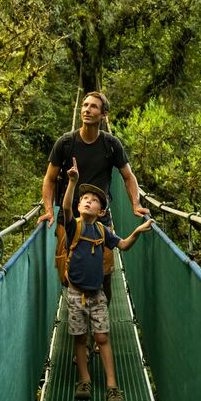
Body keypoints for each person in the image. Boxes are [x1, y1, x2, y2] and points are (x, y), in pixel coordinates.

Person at [39, 91, 149, 302]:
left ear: (103, 114)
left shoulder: (111, 144)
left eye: (93, 107)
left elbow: (128, 176)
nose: (87, 110)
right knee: (67, 274)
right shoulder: (65, 143)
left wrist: (135, 204)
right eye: (85, 105)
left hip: (100, 220)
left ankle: (100, 318)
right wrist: (47, 210)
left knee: (105, 275)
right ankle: (79, 322)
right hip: (69, 218)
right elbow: (49, 179)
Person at [60, 158, 152, 401]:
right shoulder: (73, 227)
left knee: (102, 338)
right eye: (84, 200)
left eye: (94, 201)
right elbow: (66, 207)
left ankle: (112, 385)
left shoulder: (103, 231)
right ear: (79, 206)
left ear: (101, 212)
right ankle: (84, 379)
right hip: (75, 294)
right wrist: (72, 182)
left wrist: (137, 232)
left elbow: (122, 245)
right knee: (80, 339)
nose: (88, 201)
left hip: (97, 295)